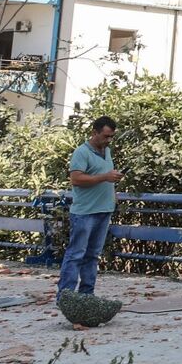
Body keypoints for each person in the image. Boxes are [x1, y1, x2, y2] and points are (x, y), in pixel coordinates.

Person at [59, 116, 119, 298]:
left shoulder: (106, 152)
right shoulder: (81, 152)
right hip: (85, 212)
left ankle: (86, 295)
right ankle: (66, 296)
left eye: (111, 137)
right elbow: (76, 179)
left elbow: (105, 175)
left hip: (104, 209)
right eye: (106, 136)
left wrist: (113, 189)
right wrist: (105, 177)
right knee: (76, 254)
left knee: (93, 256)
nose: (109, 140)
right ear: (94, 133)